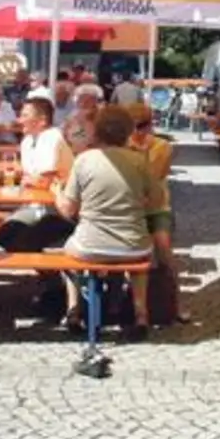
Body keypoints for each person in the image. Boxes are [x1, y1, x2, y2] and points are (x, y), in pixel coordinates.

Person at [56, 106, 157, 339]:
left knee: (67, 256)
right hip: (134, 245)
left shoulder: (84, 160)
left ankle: (74, 310)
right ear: (128, 132)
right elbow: (155, 200)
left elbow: (68, 209)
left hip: (90, 246)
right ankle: (141, 314)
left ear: (97, 131)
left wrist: (56, 194)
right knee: (141, 259)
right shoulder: (139, 160)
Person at [125, 102, 187, 322]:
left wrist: (139, 155)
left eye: (141, 126)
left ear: (149, 125)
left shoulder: (162, 146)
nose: (136, 132)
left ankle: (177, 304)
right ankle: (123, 305)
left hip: (156, 206)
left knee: (164, 248)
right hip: (130, 208)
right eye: (132, 126)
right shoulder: (122, 146)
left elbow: (154, 176)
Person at [61, 84, 102, 154]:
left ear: (95, 101)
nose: (83, 102)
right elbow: (64, 135)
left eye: (88, 99)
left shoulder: (101, 117)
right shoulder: (72, 117)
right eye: (81, 98)